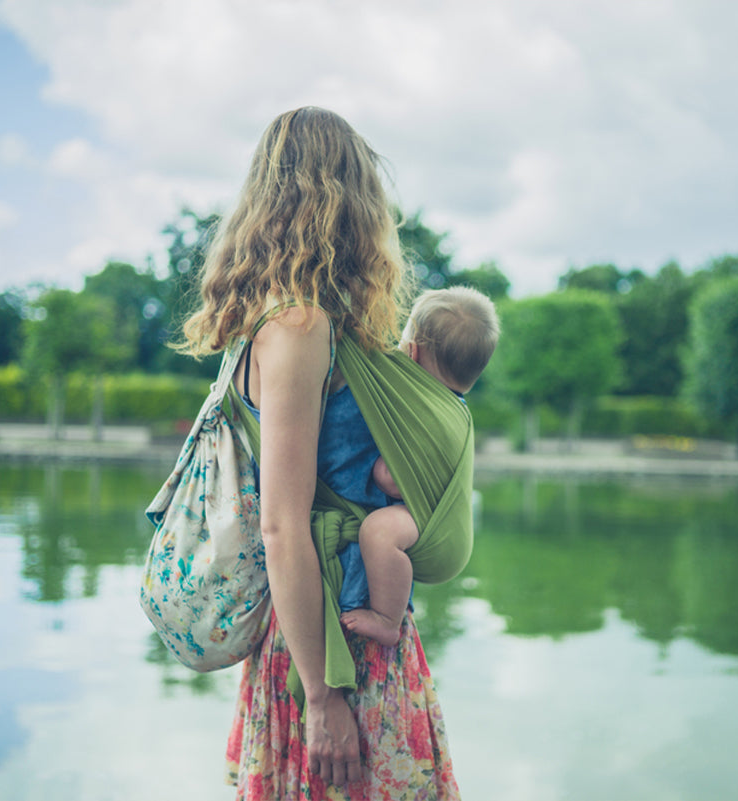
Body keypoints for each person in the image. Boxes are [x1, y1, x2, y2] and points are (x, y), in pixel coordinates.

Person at [176, 107, 460, 799]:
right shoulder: (299, 326)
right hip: (335, 646)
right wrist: (326, 697)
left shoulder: (275, 322)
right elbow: (281, 523)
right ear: (349, 198)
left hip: (317, 627)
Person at [340, 286, 499, 647]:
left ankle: (386, 619)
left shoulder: (426, 413)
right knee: (383, 528)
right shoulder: (453, 406)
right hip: (449, 530)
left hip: (436, 538)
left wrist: (380, 466)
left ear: (410, 352)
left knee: (379, 531)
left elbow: (394, 482)